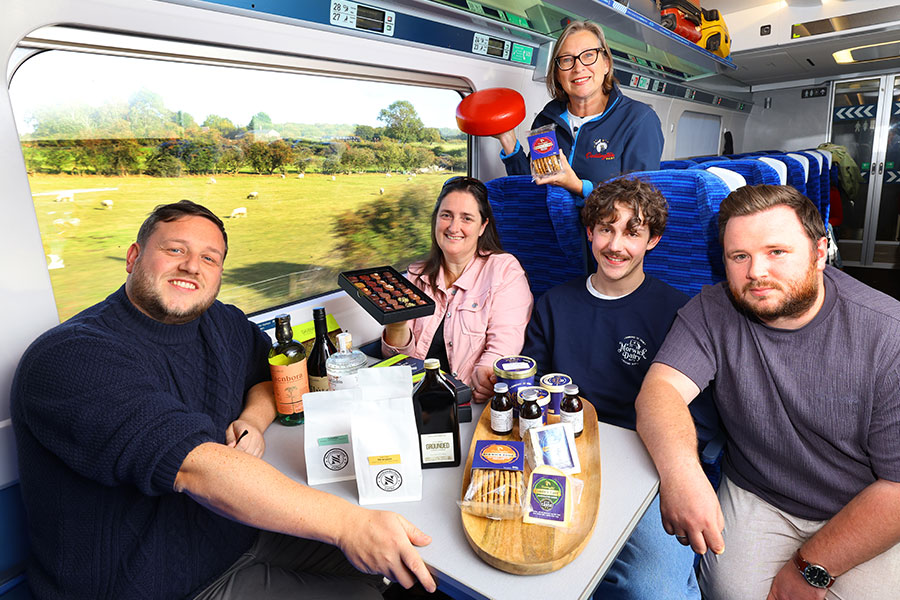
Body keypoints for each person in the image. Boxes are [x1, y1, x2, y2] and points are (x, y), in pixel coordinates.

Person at [11, 200, 435, 600]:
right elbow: (198, 469)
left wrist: (254, 417)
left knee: (409, 567)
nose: (192, 265)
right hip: (150, 582)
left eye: (209, 258)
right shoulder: (71, 358)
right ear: (133, 257)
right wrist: (348, 525)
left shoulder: (223, 323)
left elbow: (272, 379)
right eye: (174, 249)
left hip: (234, 533)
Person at [635, 184, 900, 599]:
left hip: (861, 504)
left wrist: (811, 568)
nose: (756, 271)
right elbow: (660, 390)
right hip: (760, 492)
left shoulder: (888, 335)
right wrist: (681, 473)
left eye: (776, 251)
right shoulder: (713, 309)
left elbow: (897, 488)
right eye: (739, 256)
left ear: (819, 251)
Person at [522, 176, 716, 600]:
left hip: (646, 463)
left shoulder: (679, 312)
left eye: (633, 232)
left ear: (654, 240)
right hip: (564, 456)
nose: (616, 244)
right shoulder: (554, 304)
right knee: (533, 569)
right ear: (589, 233)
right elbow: (531, 388)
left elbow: (695, 418)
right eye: (606, 229)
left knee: (651, 589)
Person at [382, 176, 533, 402]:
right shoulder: (415, 275)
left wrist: (486, 375)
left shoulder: (504, 271)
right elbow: (399, 363)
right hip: (411, 399)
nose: (453, 227)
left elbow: (503, 345)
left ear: (483, 226)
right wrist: (396, 327)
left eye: (467, 218)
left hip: (466, 401)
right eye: (446, 215)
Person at [494, 20, 664, 201]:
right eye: (567, 59)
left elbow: (642, 202)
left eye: (589, 55)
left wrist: (579, 187)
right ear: (558, 74)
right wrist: (508, 139)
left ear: (606, 64)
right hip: (547, 228)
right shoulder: (547, 120)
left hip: (602, 229)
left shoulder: (638, 120)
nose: (578, 67)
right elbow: (531, 189)